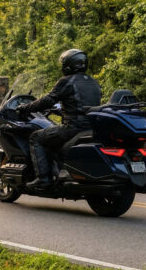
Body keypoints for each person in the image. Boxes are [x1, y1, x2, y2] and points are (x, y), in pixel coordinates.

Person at [16, 49, 101, 190]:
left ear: (68, 65)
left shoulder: (66, 81)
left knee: (36, 138)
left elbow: (48, 100)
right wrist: (62, 111)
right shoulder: (93, 82)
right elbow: (81, 105)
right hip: (91, 128)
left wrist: (26, 107)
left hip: (72, 128)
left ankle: (42, 179)